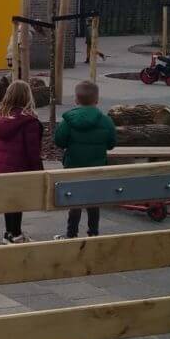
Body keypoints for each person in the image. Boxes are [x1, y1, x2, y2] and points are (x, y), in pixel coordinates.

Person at [53, 79, 117, 239]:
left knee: (74, 201)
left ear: (76, 99)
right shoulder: (106, 121)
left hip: (73, 166)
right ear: (97, 99)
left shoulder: (68, 121)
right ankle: (93, 233)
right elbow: (111, 144)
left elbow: (59, 141)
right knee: (93, 202)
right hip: (97, 168)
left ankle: (71, 234)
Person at [0, 79, 43, 244]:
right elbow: (33, 151)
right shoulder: (30, 122)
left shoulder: (1, 118)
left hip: (2, 166)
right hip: (19, 167)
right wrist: (39, 172)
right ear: (28, 97)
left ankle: (9, 233)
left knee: (9, 201)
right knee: (18, 201)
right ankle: (16, 234)